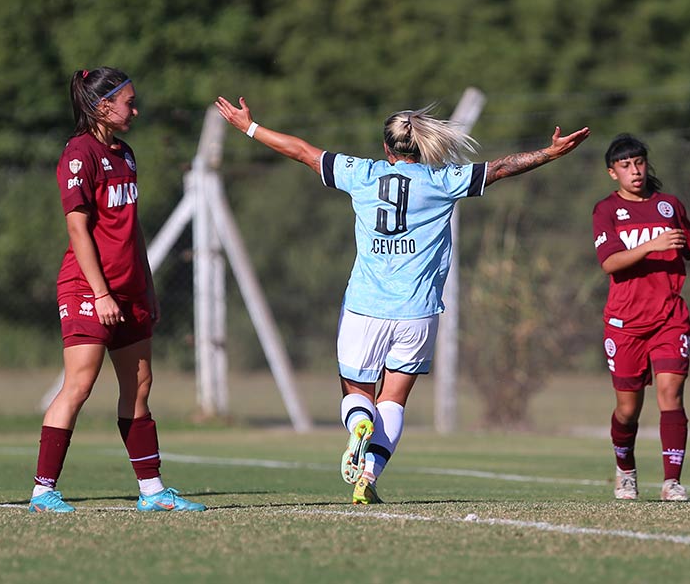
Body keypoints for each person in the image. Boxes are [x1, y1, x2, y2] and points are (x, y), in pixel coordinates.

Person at [216, 95, 589, 504]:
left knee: (357, 393)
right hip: (418, 312)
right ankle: (370, 476)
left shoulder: (361, 174)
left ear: (386, 148)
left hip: (364, 307)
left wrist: (249, 127)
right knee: (393, 399)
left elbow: (303, 152)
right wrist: (550, 153)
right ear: (423, 146)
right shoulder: (443, 181)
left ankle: (358, 423)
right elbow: (501, 167)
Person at [29, 68, 205, 513]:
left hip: (130, 291)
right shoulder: (78, 154)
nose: (135, 109)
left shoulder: (125, 154)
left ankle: (152, 492)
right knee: (80, 384)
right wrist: (101, 292)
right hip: (87, 288)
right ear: (103, 106)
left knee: (140, 384)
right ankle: (42, 491)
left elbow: (131, 230)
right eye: (128, 101)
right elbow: (78, 229)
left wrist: (145, 285)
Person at [592, 133, 690, 502]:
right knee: (627, 410)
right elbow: (610, 262)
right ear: (613, 172)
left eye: (639, 162)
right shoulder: (606, 211)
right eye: (626, 166)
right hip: (625, 322)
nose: (635, 171)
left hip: (669, 317)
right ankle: (625, 470)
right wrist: (651, 245)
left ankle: (672, 482)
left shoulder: (668, 205)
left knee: (671, 393)